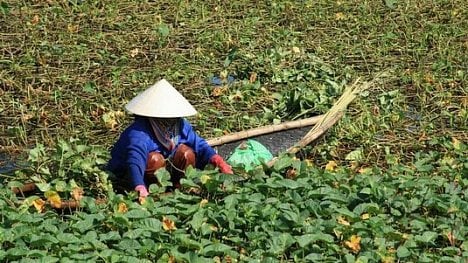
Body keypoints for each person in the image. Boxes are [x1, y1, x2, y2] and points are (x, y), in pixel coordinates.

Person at [107, 79, 233, 198]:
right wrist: (139, 186)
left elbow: (198, 144)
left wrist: (218, 161)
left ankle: (180, 188)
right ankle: (153, 194)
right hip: (129, 175)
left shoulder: (179, 125)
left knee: (186, 153)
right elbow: (135, 162)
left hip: (165, 172)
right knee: (155, 160)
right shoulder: (139, 133)